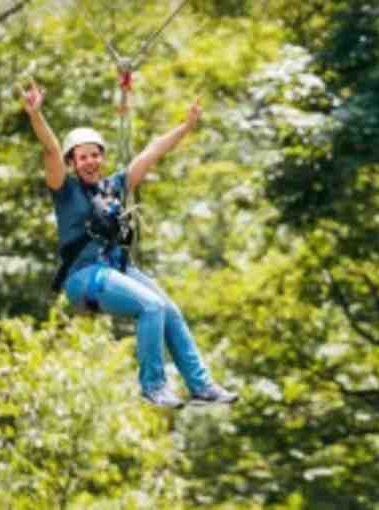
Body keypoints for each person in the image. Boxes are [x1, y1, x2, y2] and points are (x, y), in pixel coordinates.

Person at [19, 78, 238, 409]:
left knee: (169, 311)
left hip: (118, 270)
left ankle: (201, 385)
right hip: (84, 278)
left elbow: (153, 151)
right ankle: (153, 386)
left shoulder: (115, 186)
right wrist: (36, 114)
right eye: (82, 157)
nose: (90, 161)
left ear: (102, 158)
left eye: (95, 155)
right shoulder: (65, 190)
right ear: (72, 163)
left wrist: (185, 127)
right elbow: (50, 149)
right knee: (151, 306)